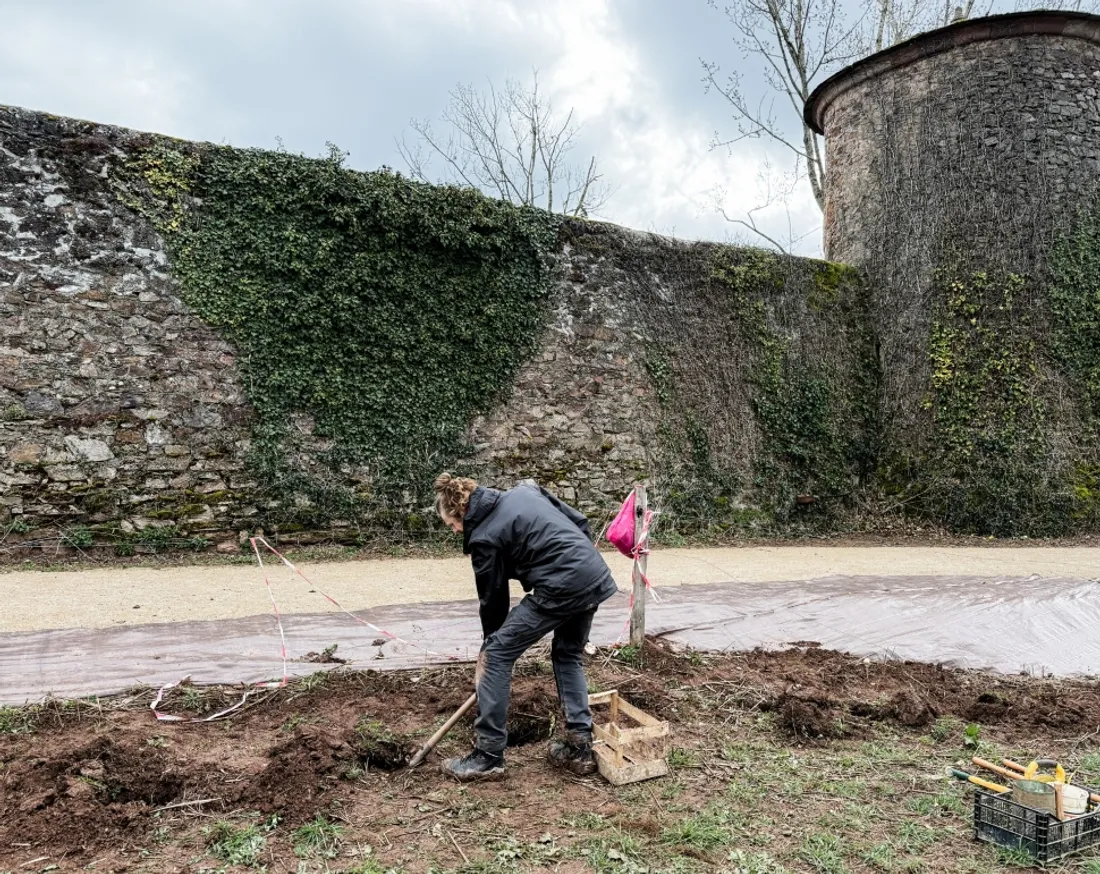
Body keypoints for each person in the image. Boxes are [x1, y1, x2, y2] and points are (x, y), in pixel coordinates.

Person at [433, 472, 618, 781]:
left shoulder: (483, 538)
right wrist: (578, 565)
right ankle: (580, 746)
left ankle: (488, 755)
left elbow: (493, 601)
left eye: (451, 525)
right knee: (566, 653)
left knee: (495, 655)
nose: (453, 531)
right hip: (593, 573)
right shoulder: (526, 491)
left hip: (561, 585)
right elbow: (579, 521)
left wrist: (490, 649)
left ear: (462, 511)